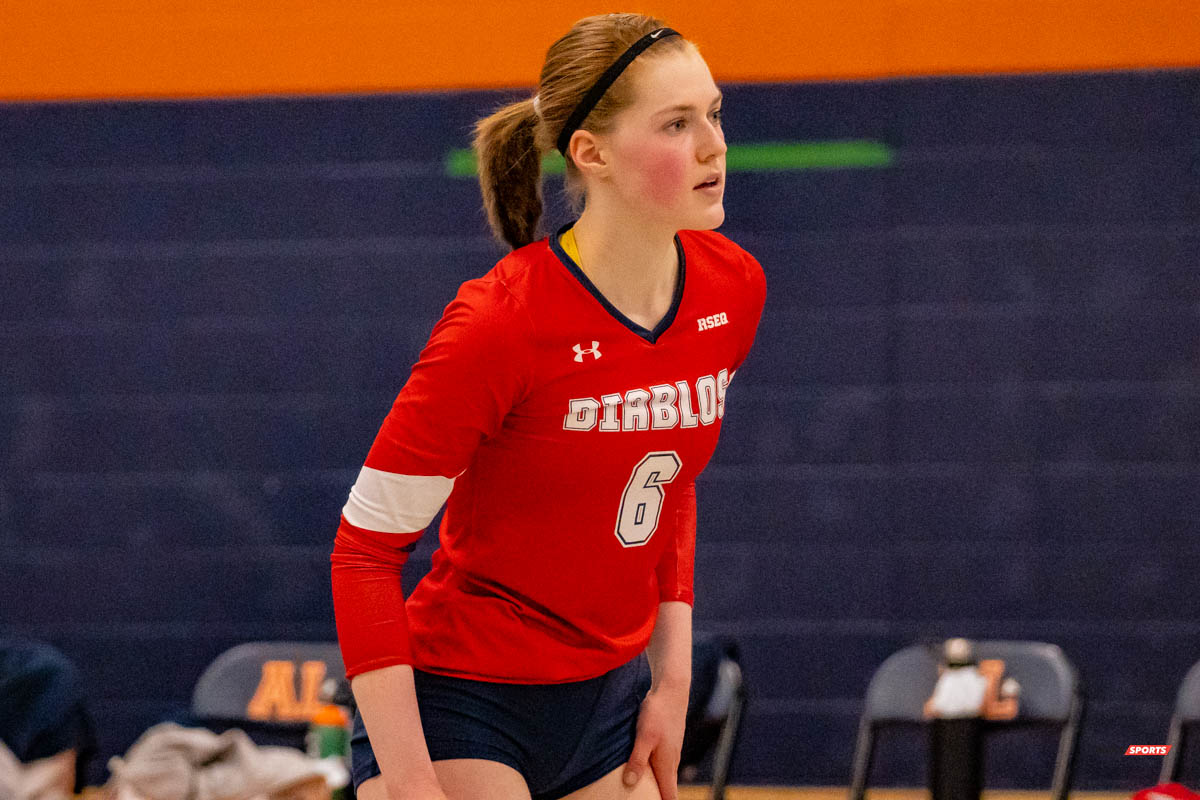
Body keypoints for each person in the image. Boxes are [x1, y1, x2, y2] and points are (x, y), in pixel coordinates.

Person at [330, 12, 767, 800]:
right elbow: (363, 553)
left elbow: (666, 479)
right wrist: (410, 782)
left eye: (715, 112)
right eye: (676, 123)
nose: (713, 145)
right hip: (464, 699)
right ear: (590, 153)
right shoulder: (502, 323)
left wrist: (670, 684)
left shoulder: (732, 287)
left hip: (607, 697)